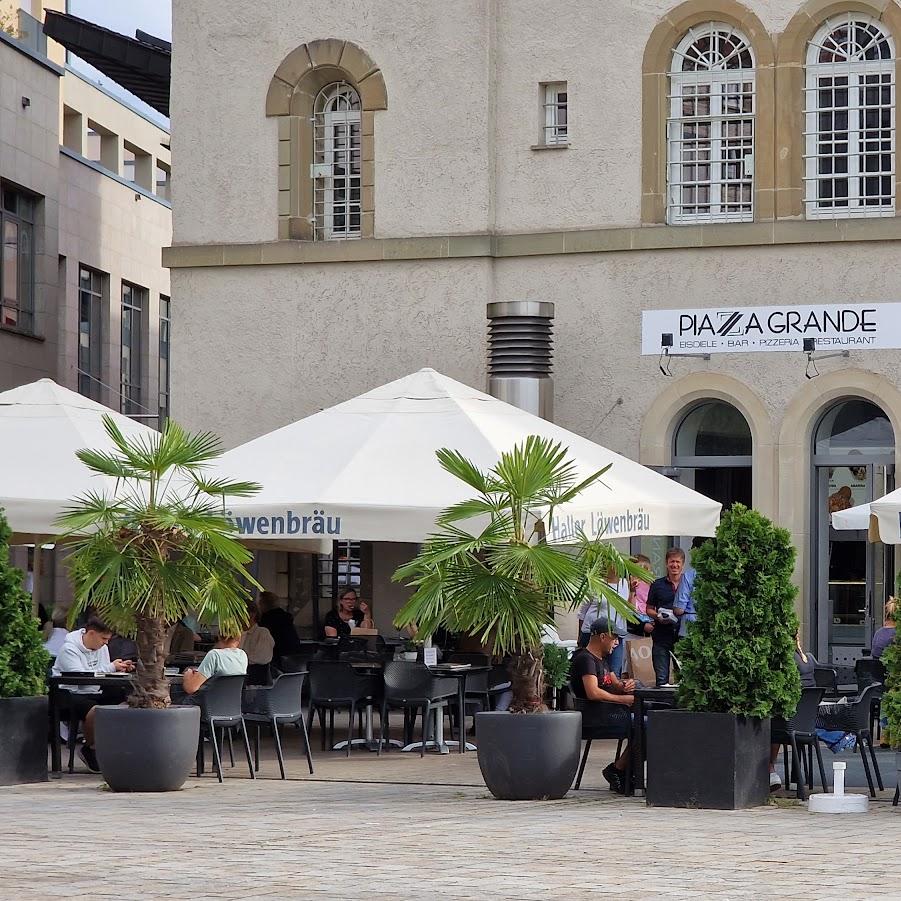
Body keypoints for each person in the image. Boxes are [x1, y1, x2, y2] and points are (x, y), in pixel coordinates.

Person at [52, 616, 135, 772]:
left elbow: (102, 673)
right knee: (95, 711)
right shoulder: (69, 649)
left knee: (126, 700)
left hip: (95, 690)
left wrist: (120, 668)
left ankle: (113, 746)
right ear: (91, 634)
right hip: (71, 692)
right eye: (103, 638)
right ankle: (90, 747)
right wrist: (111, 667)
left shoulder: (102, 648)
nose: (106, 642)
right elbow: (80, 676)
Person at [569, 617, 635, 794]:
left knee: (651, 723)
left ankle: (625, 771)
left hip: (609, 711)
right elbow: (593, 692)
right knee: (646, 727)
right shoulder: (585, 659)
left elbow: (614, 684)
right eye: (615, 639)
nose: (617, 643)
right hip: (596, 716)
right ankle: (618, 770)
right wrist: (623, 700)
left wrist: (626, 685)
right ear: (603, 636)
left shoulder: (602, 659)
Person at [769, 631, 818, 791]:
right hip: (807, 724)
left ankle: (770, 770)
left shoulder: (784, 661)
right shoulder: (808, 658)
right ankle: (795, 775)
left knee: (769, 724)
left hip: (790, 725)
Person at [577, 567, 630, 674]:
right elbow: (583, 611)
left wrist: (633, 591)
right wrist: (580, 634)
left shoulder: (625, 583)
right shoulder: (595, 582)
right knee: (591, 668)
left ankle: (610, 690)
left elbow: (629, 609)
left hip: (616, 633)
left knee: (614, 670)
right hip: (594, 633)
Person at [646, 547, 686, 686]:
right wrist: (658, 616)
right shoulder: (657, 585)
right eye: (671, 562)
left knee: (683, 679)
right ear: (666, 563)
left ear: (683, 564)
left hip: (683, 637)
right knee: (662, 680)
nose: (674, 565)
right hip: (661, 636)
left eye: (677, 562)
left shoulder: (689, 584)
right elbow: (649, 609)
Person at [179, 629, 248, 696]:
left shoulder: (214, 655)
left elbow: (191, 688)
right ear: (239, 638)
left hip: (207, 702)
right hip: (232, 703)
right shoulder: (242, 655)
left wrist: (188, 675)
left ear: (219, 636)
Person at [258, 590, 301, 661]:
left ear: (263, 604)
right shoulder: (286, 617)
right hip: (293, 653)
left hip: (276, 655)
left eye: (260, 603)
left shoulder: (266, 620)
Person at [240, 603, 275, 684]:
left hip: (254, 680)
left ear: (251, 615)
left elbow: (262, 657)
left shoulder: (262, 633)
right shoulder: (236, 634)